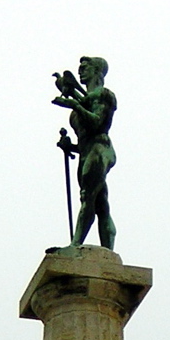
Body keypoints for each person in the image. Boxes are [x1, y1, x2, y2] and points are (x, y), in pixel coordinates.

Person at [52, 56, 117, 250]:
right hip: (87, 152)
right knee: (101, 204)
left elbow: (99, 124)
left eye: (85, 67)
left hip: (100, 149)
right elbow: (83, 141)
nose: (80, 71)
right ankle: (108, 253)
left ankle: (75, 244)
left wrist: (75, 105)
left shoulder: (104, 95)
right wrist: (69, 146)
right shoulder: (85, 100)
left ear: (97, 71)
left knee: (87, 196)